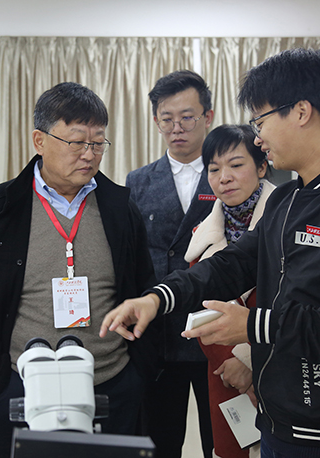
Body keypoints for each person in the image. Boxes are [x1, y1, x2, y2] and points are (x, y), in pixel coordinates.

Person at [101, 48, 320, 458]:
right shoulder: (287, 200)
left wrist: (254, 325)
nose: (258, 137)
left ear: (301, 111)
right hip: (277, 424)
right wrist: (158, 298)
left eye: (260, 121)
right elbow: (232, 265)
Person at [0, 82, 156, 458]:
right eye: (77, 142)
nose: (89, 154)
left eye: (98, 143)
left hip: (111, 382)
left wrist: (136, 374)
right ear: (39, 140)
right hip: (23, 384)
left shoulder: (119, 208)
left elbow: (144, 287)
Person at [125, 70, 215, 458]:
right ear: (156, 121)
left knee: (223, 442)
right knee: (160, 444)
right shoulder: (138, 182)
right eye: (167, 118)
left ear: (208, 117)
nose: (177, 128)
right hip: (159, 337)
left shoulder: (230, 173)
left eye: (187, 117)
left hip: (216, 332)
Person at [184, 124, 275, 458]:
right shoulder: (202, 235)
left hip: (278, 368)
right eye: (214, 169)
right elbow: (199, 310)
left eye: (236, 165)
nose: (224, 177)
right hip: (224, 374)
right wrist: (232, 365)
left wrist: (248, 361)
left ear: (261, 166)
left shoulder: (287, 222)